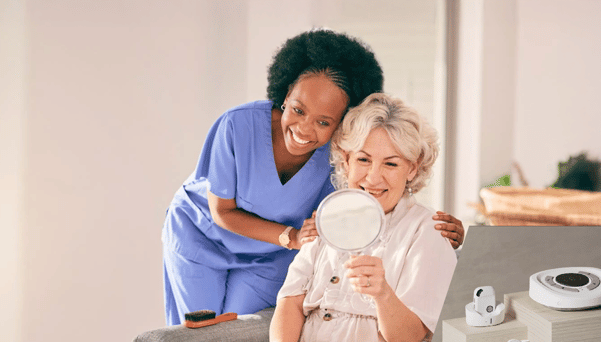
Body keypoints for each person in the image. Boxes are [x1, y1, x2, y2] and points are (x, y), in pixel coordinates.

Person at [162, 29, 464, 326]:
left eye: (323, 121)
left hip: (273, 257)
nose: (305, 129)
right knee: (200, 333)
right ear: (284, 94)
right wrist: (291, 237)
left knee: (239, 336)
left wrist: (433, 229)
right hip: (202, 235)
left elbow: (377, 189)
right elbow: (222, 211)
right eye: (297, 109)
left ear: (341, 122)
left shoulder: (338, 153)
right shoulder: (237, 126)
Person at [206, 93, 457, 342]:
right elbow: (291, 300)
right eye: (363, 159)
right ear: (345, 159)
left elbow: (406, 341)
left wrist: (382, 293)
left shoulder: (428, 230)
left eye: (391, 164)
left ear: (413, 169)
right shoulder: (329, 217)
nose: (373, 177)